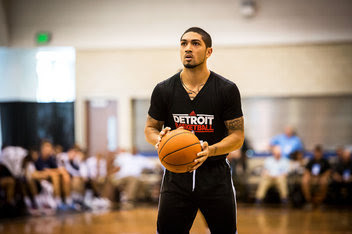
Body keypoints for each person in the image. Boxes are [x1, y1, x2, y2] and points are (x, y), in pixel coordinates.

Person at [144, 27, 244, 234]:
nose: (188, 48)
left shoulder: (226, 89)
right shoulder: (164, 90)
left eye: (195, 43)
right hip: (175, 177)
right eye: (184, 43)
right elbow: (150, 128)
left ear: (209, 52)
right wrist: (159, 139)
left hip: (215, 177)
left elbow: (237, 136)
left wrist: (211, 150)